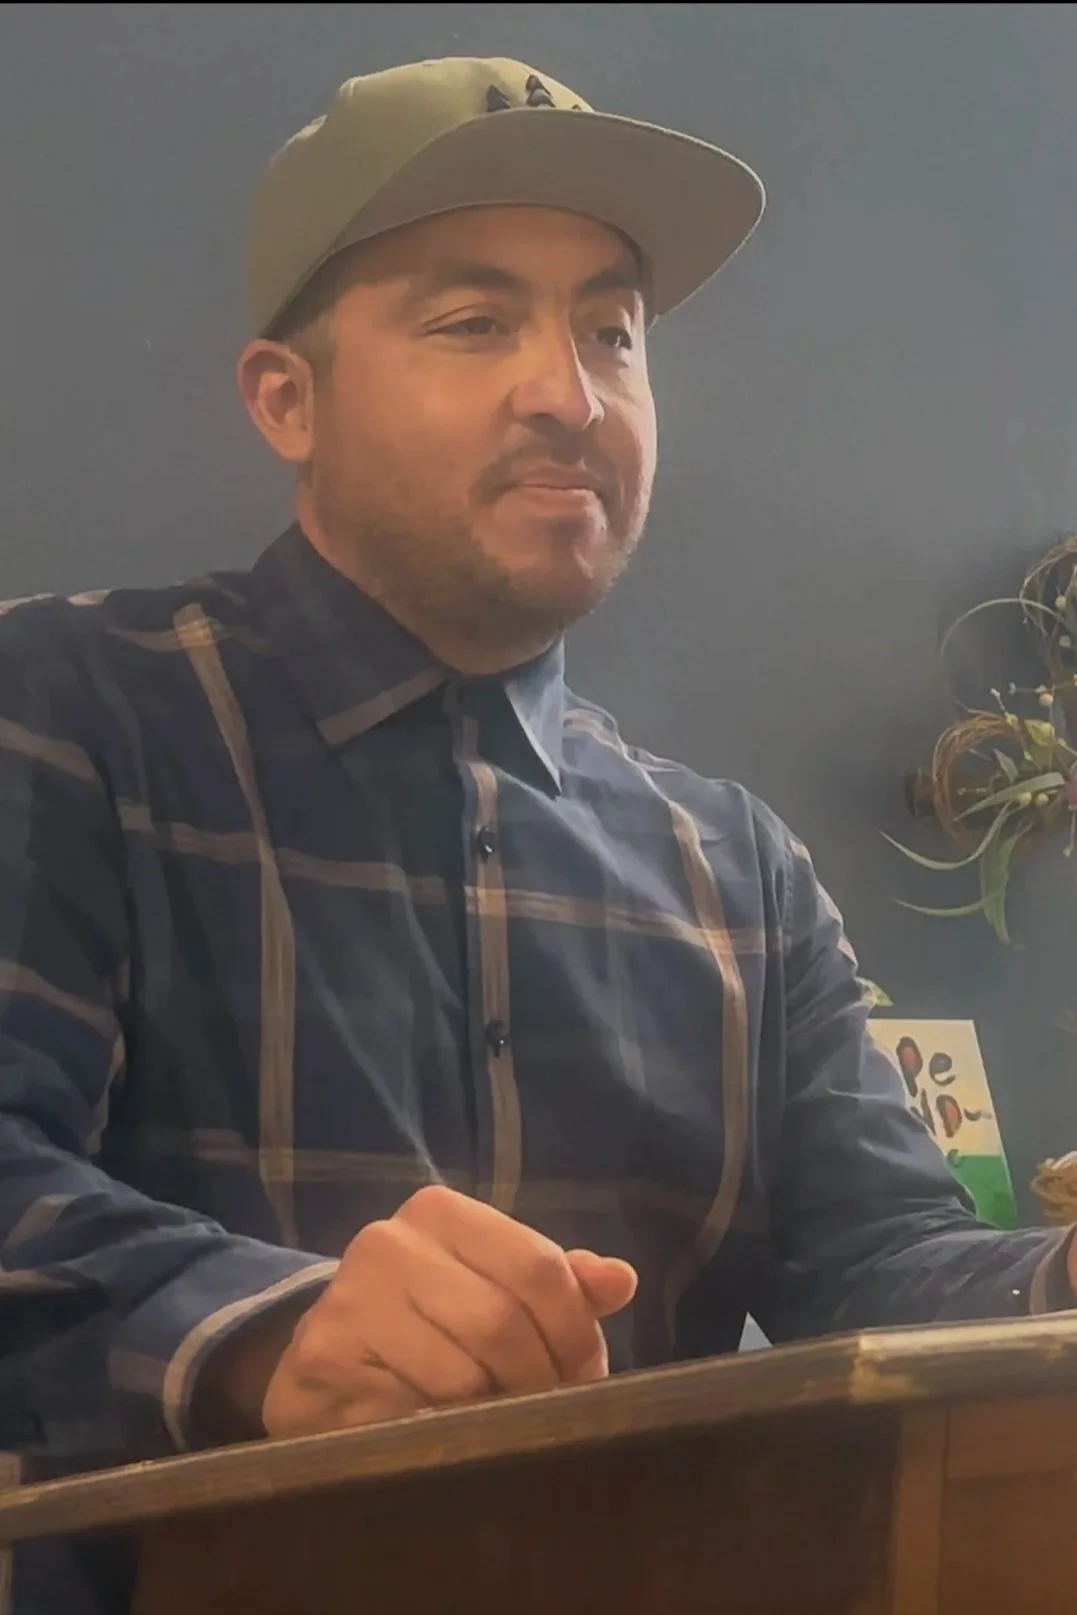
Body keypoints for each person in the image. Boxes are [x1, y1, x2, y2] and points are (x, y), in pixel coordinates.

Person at [0, 54, 1073, 1611]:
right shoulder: (63, 710)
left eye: (611, 332)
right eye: (473, 321)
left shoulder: (738, 868)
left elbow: (879, 1264)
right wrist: (259, 1328)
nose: (569, 395)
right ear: (286, 398)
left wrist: (1058, 1280)